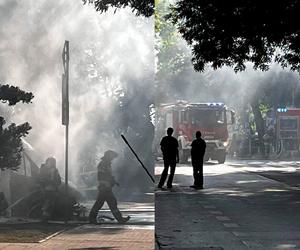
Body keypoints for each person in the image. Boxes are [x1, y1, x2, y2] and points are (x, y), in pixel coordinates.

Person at [89, 150, 130, 224]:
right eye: (112, 157)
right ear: (108, 156)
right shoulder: (102, 164)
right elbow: (101, 176)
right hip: (104, 188)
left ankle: (120, 219)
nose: (112, 159)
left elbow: (109, 176)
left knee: (106, 203)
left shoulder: (107, 164)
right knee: (107, 203)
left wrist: (114, 182)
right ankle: (119, 219)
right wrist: (106, 184)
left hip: (107, 187)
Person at [39, 157, 61, 221]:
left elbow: (58, 180)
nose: (52, 164)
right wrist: (50, 180)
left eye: (53, 162)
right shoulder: (43, 169)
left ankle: (47, 217)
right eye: (50, 162)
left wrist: (54, 180)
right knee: (47, 203)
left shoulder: (55, 170)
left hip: (53, 189)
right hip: (45, 189)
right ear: (47, 162)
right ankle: (44, 216)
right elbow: (41, 179)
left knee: (51, 203)